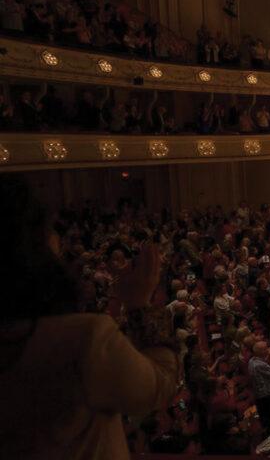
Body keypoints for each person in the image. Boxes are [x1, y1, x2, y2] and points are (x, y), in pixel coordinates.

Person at [0, 178, 179, 460]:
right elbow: (159, 387)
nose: (57, 240)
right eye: (51, 230)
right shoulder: (83, 340)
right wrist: (140, 304)